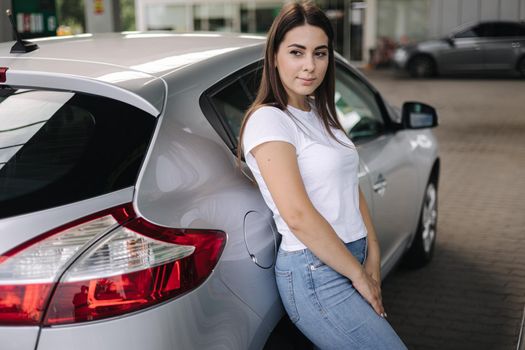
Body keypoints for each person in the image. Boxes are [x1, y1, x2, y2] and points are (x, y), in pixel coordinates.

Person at [238, 2, 407, 349]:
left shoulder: (318, 111)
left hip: (350, 256)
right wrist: (357, 274)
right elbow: (298, 216)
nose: (309, 66)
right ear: (274, 56)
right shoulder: (269, 121)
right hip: (315, 271)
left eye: (320, 53)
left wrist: (372, 250)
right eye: (296, 52)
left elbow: (350, 185)